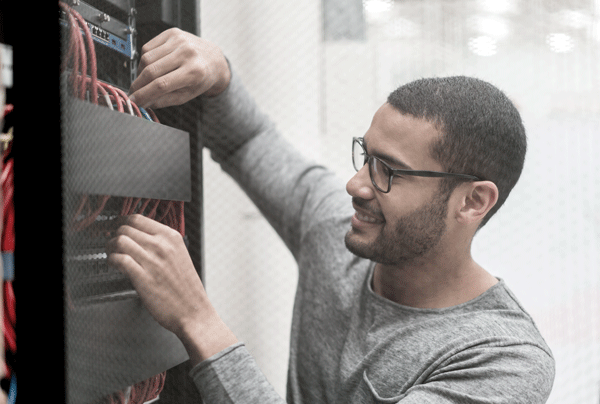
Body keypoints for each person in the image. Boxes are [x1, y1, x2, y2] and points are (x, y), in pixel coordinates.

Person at [106, 28, 555, 403]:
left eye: (389, 171)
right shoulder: (336, 229)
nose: (356, 185)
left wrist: (196, 320)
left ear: (473, 201)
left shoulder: (503, 360)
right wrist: (218, 71)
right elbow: (248, 142)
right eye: (366, 156)